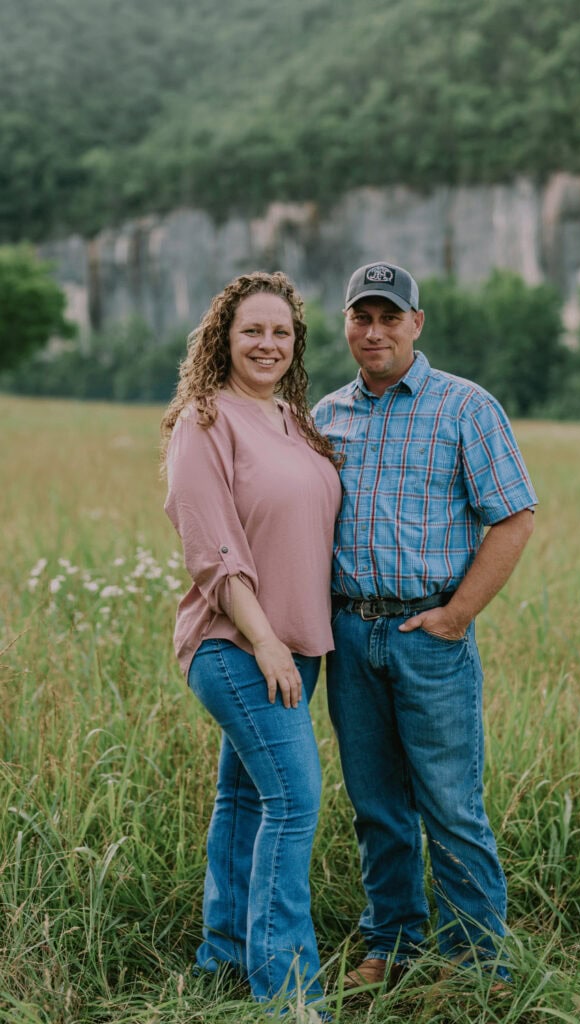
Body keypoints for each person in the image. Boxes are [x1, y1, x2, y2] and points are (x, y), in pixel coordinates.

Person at [312, 260, 537, 990]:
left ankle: (478, 961)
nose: (373, 331)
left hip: (428, 636)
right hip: (350, 634)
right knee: (376, 804)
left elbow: (513, 514)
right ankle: (393, 945)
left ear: (416, 324)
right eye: (360, 317)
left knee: (449, 803)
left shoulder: (465, 407)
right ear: (347, 324)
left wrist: (457, 614)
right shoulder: (326, 416)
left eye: (388, 317)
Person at [161, 271, 341, 1011]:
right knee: (295, 802)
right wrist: (264, 640)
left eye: (281, 332)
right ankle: (290, 993)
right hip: (235, 645)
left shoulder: (294, 420)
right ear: (223, 338)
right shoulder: (205, 420)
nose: (267, 343)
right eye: (252, 330)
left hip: (298, 643)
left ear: (296, 343)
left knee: (244, 798)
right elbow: (213, 550)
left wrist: (292, 643)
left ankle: (223, 956)